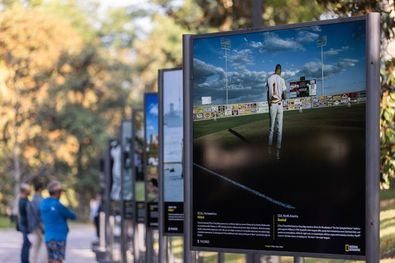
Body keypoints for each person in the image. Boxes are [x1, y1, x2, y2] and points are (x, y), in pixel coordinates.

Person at [40, 181, 76, 263]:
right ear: (57, 193)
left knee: (51, 259)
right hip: (58, 238)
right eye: (61, 192)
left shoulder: (43, 204)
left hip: (48, 237)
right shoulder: (57, 205)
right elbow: (73, 216)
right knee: (57, 260)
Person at [267, 64, 286, 159]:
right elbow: (285, 96)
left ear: (275, 69)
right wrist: (282, 95)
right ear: (280, 70)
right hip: (279, 105)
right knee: (280, 129)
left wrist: (269, 103)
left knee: (271, 128)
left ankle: (269, 149)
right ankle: (277, 151)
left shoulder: (269, 79)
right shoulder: (281, 79)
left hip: (272, 105)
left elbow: (267, 93)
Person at [28, 182, 47, 263]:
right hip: (42, 226)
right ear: (40, 189)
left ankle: (32, 261)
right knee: (45, 246)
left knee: (35, 246)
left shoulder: (31, 201)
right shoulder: (42, 200)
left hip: (34, 226)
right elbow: (42, 215)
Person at [18, 183, 32, 263]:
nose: (30, 190)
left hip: (24, 224)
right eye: (28, 189)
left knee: (27, 244)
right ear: (24, 191)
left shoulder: (24, 199)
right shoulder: (23, 201)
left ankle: (25, 260)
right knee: (26, 244)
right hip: (25, 225)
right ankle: (24, 261)